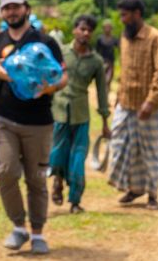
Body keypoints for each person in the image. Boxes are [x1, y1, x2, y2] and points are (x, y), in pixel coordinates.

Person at [0, 0, 68, 255]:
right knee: (6, 173)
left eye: (16, 6)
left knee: (37, 179)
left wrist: (50, 88)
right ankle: (18, 227)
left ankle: (37, 232)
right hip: (4, 119)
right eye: (7, 8)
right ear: (2, 13)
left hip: (40, 122)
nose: (11, 12)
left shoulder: (45, 41)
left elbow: (62, 76)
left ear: (26, 8)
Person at [108, 0, 158, 210]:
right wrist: (117, 100)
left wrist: (151, 101)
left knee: (149, 150)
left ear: (137, 14)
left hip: (147, 107)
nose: (122, 19)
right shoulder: (124, 38)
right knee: (121, 145)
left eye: (125, 15)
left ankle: (152, 193)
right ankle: (134, 189)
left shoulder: (156, 37)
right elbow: (123, 71)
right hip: (125, 103)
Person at [49, 14, 110, 214]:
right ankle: (57, 180)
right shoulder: (60, 53)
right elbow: (49, 77)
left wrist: (105, 120)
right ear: (74, 30)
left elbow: (102, 92)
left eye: (89, 30)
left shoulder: (96, 61)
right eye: (82, 29)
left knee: (78, 158)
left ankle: (75, 201)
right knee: (58, 153)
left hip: (81, 115)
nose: (85, 33)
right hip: (58, 111)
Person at [95, 20, 120, 87]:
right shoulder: (100, 39)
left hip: (111, 62)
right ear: (103, 28)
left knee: (108, 80)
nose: (107, 29)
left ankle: (107, 94)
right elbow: (97, 51)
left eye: (109, 27)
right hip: (102, 62)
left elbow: (120, 47)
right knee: (102, 80)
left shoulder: (114, 39)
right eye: (106, 27)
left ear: (111, 28)